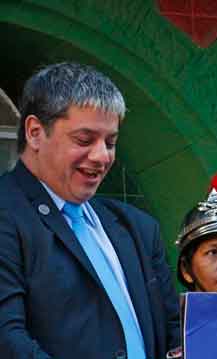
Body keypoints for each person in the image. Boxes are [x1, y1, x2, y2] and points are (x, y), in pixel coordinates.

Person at [0, 63, 180, 358]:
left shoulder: (138, 228)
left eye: (111, 142)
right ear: (34, 132)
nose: (101, 156)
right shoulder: (7, 213)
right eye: (84, 140)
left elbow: (173, 331)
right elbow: (7, 340)